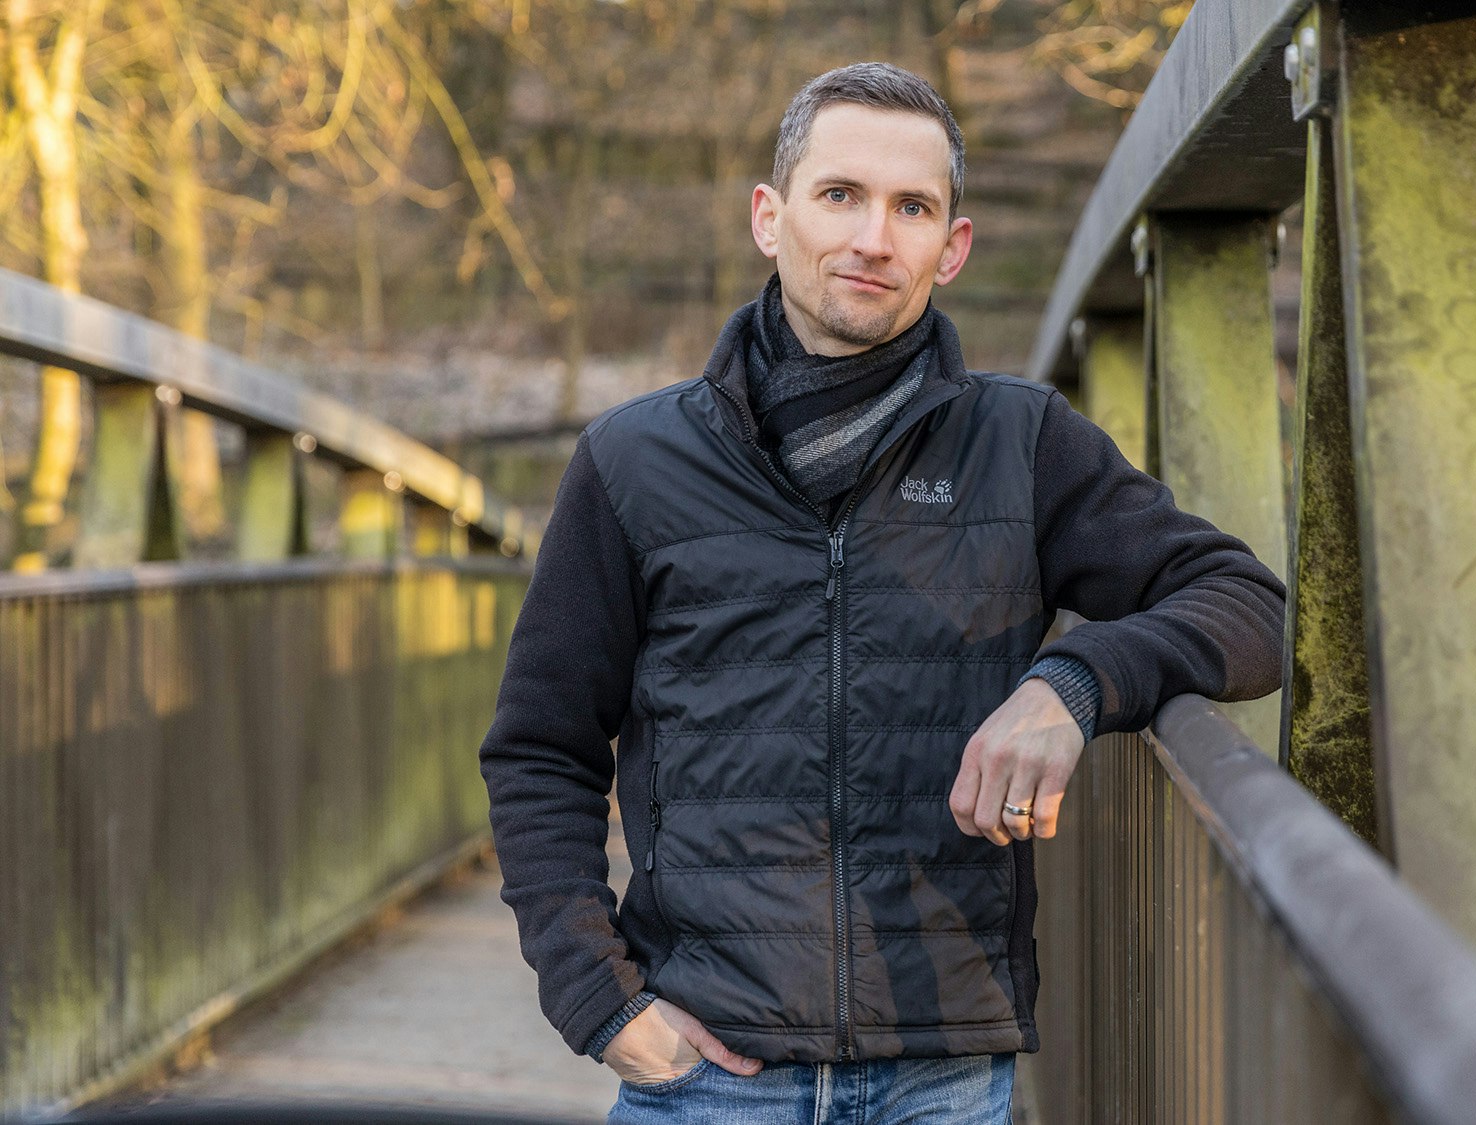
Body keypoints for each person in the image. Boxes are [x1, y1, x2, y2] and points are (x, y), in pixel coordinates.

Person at [477, 61, 1285, 1124]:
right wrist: (600, 1003)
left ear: (950, 249)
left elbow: (1247, 604)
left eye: (912, 208)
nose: (872, 238)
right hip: (710, 1074)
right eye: (839, 196)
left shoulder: (1020, 445)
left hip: (943, 1074)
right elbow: (541, 746)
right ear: (770, 217)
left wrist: (1074, 683)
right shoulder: (633, 463)